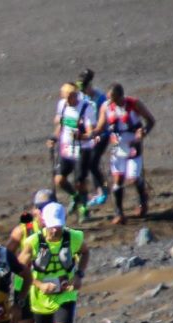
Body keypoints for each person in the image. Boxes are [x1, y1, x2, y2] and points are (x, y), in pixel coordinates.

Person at [6, 189, 53, 323]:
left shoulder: (59, 230)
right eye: (40, 209)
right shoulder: (23, 230)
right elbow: (6, 254)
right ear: (34, 210)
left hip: (46, 293)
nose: (43, 213)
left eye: (47, 208)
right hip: (23, 289)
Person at [92, 83, 156, 224]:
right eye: (109, 99)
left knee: (133, 178)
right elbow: (100, 127)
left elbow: (150, 121)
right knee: (118, 182)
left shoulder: (134, 104)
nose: (111, 102)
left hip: (133, 146)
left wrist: (143, 132)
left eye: (113, 99)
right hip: (117, 148)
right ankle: (119, 213)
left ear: (121, 96)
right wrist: (90, 135)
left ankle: (142, 199)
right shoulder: (106, 107)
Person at [49, 82, 97, 221]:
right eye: (65, 98)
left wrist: (81, 136)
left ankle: (84, 208)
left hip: (82, 148)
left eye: (69, 97)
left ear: (75, 95)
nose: (67, 101)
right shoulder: (62, 105)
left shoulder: (86, 108)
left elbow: (91, 132)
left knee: (79, 181)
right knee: (59, 179)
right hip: (66, 147)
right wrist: (54, 138)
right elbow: (61, 125)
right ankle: (75, 196)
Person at [78, 69, 110, 208]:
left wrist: (96, 132)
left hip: (102, 135)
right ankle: (100, 189)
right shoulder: (82, 97)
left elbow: (105, 120)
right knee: (89, 165)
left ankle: (103, 190)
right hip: (89, 135)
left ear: (90, 86)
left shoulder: (100, 98)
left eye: (85, 90)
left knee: (93, 163)